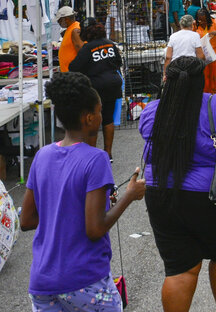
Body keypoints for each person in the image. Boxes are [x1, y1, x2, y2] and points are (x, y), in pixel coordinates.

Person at [140, 57, 216, 312]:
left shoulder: (152, 111)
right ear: (203, 81)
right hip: (215, 196)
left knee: (180, 269)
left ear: (167, 80)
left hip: (162, 195)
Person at [20, 72, 146, 312]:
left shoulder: (42, 156)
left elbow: (27, 220)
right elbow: (95, 229)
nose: (101, 116)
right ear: (89, 118)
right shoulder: (96, 159)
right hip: (84, 280)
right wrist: (130, 195)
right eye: (99, 111)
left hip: (42, 282)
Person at [68, 18, 123, 161]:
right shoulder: (110, 44)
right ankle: (108, 153)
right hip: (113, 83)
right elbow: (118, 62)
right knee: (108, 118)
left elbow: (73, 67)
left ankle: (91, 155)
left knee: (93, 120)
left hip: (97, 86)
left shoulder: (87, 48)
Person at [195, 7, 216, 95]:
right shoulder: (195, 25)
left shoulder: (215, 22)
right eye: (200, 20)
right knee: (205, 84)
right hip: (203, 59)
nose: (202, 22)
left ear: (208, 18)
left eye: (204, 20)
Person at [163, 15, 205, 79]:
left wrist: (164, 75)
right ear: (192, 25)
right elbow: (200, 56)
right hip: (191, 68)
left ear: (180, 25)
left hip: (175, 68)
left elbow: (168, 57)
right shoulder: (195, 36)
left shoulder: (173, 36)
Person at [56, 6, 83, 73]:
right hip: (70, 73)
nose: (58, 23)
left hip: (73, 73)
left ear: (66, 19)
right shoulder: (72, 28)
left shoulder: (75, 30)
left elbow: (81, 52)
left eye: (59, 20)